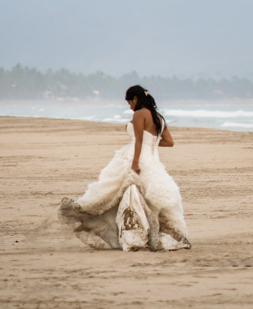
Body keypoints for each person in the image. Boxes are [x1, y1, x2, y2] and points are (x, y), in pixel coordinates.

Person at [59, 85, 191, 251]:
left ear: (135, 99)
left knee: (126, 193)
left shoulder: (139, 114)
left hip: (135, 158)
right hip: (153, 161)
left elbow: (138, 142)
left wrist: (135, 164)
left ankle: (134, 236)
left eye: (129, 102)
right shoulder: (159, 117)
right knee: (147, 199)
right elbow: (169, 142)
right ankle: (151, 235)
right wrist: (153, 143)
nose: (129, 106)